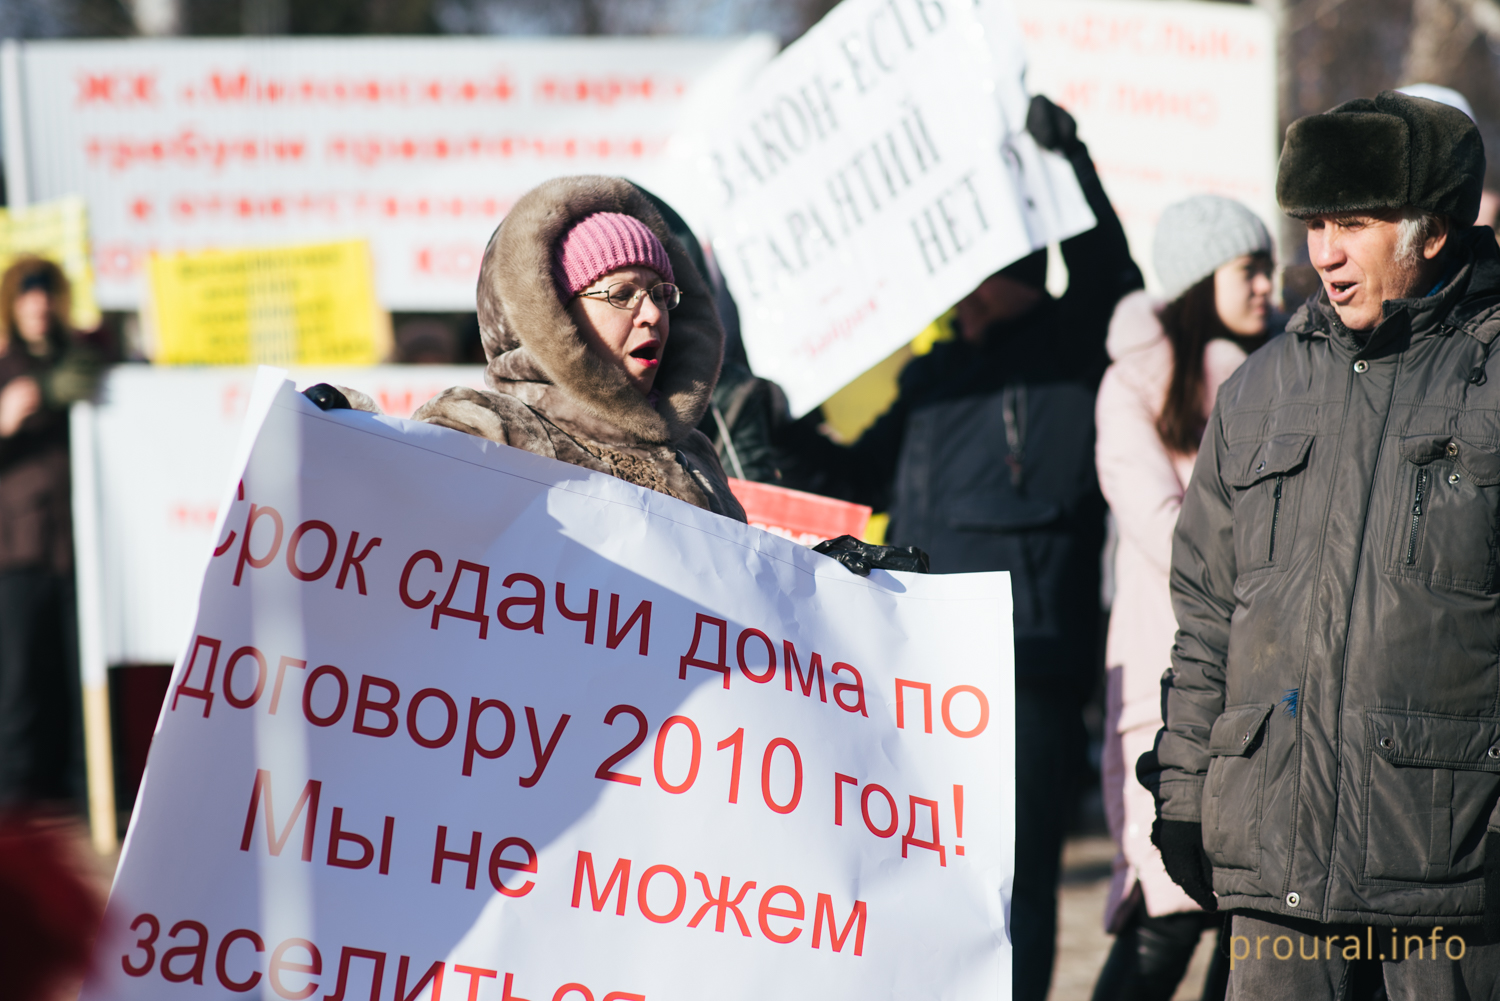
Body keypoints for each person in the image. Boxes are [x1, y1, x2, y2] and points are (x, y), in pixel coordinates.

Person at [776, 95, 1143, 1001]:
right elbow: (850, 475)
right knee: (927, 872)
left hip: (1026, 664)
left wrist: (1074, 161)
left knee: (1017, 885)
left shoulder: (1068, 346)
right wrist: (777, 417)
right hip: (920, 663)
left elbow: (1108, 272)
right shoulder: (932, 374)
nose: (963, 287)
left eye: (981, 270)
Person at [1145, 90, 1500, 996]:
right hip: (1277, 883)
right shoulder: (1260, 390)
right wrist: (1186, 796)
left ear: (1431, 232)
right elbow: (1207, 619)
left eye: (1354, 223)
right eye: (1313, 224)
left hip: (1453, 889)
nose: (1324, 254)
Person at [1091, 195, 1274, 1001]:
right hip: (1165, 681)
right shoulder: (1130, 384)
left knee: (1252, 927)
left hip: (1266, 683)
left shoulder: (1281, 374)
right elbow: (1163, 526)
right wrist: (1276, 568)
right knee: (1165, 914)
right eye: (1250, 268)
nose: (1270, 284)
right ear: (1204, 278)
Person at [319, 176, 744, 522]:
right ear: (556, 316)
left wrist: (801, 582)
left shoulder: (696, 456)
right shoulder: (491, 428)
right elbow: (390, 520)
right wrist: (333, 443)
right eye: (622, 294)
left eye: (660, 293)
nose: (652, 313)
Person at [0, 257, 98, 808]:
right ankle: (13, 800)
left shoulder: (78, 360)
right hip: (17, 546)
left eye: (46, 295)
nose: (38, 306)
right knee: (17, 680)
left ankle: (85, 791)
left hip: (74, 545)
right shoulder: (5, 366)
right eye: (26, 297)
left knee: (78, 676)